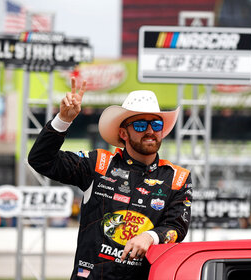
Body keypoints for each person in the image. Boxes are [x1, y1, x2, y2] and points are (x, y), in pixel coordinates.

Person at [28, 78, 193, 279]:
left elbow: (176, 227)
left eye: (156, 124)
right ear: (123, 133)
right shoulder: (99, 164)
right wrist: (63, 119)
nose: (150, 131)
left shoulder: (177, 177)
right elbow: (40, 160)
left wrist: (150, 236)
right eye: (141, 125)